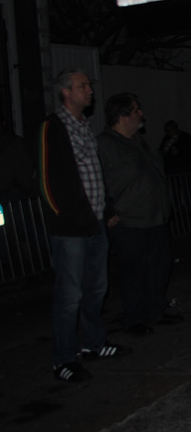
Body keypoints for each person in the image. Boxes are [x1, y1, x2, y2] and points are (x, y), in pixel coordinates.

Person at [39, 68, 131, 383]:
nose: (89, 91)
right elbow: (49, 179)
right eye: (82, 86)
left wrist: (105, 210)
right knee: (69, 296)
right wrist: (69, 218)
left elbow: (95, 174)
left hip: (95, 225)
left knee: (97, 288)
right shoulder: (53, 127)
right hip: (71, 230)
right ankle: (64, 359)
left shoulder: (85, 126)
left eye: (89, 86)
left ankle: (93, 343)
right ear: (66, 91)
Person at [98, 93, 182, 337]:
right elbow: (94, 180)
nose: (141, 114)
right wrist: (108, 211)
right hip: (129, 221)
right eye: (136, 110)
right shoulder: (105, 144)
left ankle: (156, 310)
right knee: (134, 272)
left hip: (155, 218)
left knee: (158, 267)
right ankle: (134, 317)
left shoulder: (138, 141)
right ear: (122, 116)